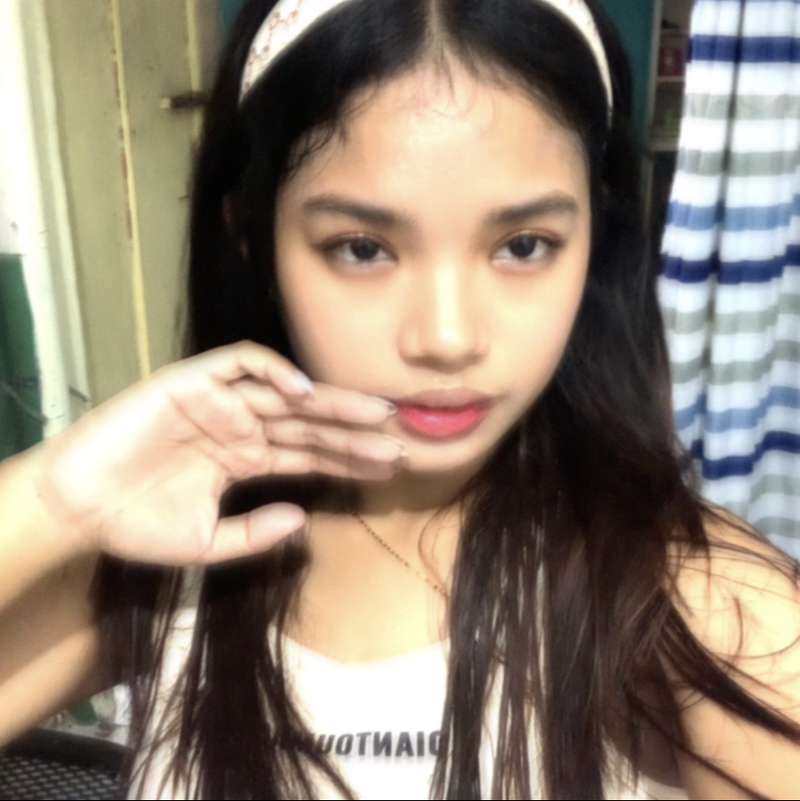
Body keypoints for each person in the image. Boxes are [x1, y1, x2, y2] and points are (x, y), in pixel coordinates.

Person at [1, 0, 799, 797]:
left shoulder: (697, 599)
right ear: (254, 242)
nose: (447, 337)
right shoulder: (181, 548)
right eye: (362, 248)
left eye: (523, 246)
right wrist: (50, 500)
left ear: (595, 238)